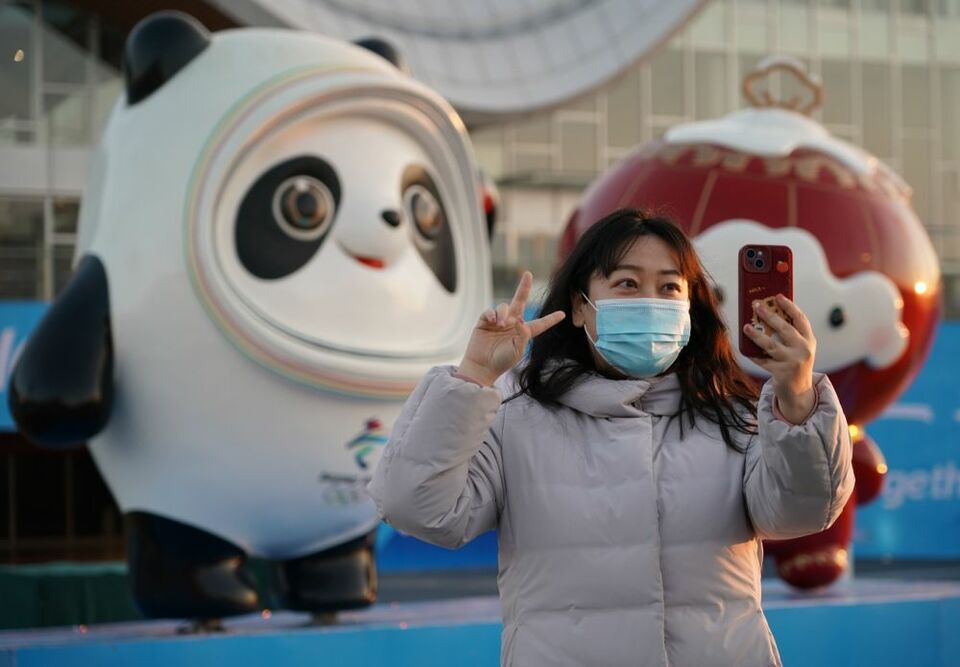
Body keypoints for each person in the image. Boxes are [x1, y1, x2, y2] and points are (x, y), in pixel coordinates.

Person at [368, 208, 854, 666]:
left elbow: (804, 511)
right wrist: (474, 375)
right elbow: (419, 509)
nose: (650, 301)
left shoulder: (731, 415)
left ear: (690, 308)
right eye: (626, 283)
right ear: (580, 308)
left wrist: (796, 396)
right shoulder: (517, 415)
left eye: (669, 287)